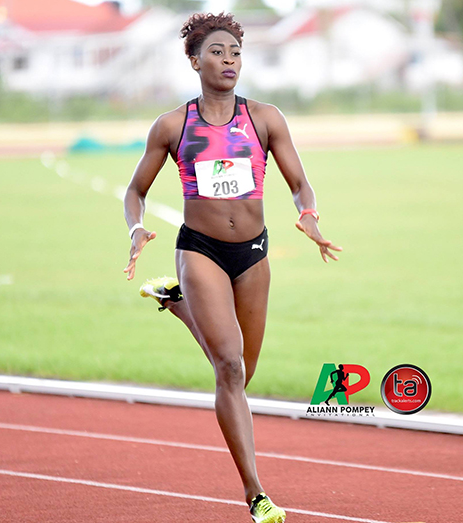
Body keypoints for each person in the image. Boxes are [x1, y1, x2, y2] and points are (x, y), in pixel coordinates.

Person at [122, 12, 342, 523]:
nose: (228, 61)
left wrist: (307, 215)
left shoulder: (265, 118)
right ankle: (256, 494)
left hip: (253, 254)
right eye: (217, 53)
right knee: (229, 366)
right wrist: (135, 228)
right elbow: (135, 191)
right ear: (194, 60)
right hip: (199, 249)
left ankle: (177, 306)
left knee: (242, 375)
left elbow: (299, 183)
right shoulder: (174, 125)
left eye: (236, 53)